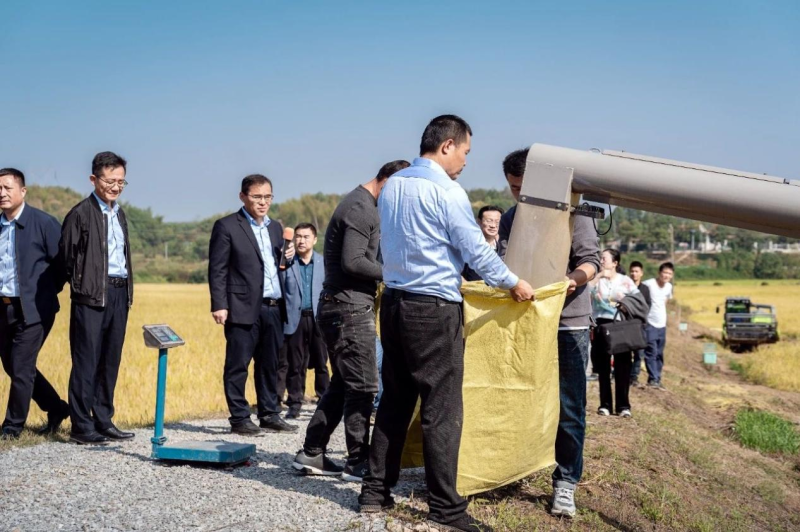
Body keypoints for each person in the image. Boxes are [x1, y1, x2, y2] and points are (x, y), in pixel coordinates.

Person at [360, 115, 534, 532]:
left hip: (395, 303)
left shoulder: (393, 185)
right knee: (441, 407)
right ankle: (447, 509)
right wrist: (513, 283)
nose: (466, 161)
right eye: (466, 152)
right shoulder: (448, 191)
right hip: (434, 308)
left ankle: (373, 492)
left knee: (395, 400)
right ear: (447, 145)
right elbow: (475, 249)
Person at [498, 147, 600, 519]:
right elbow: (506, 266)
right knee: (519, 400)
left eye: (524, 188)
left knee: (569, 407)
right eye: (512, 188)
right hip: (527, 323)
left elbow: (591, 262)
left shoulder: (578, 214)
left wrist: (568, 283)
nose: (518, 196)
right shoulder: (511, 219)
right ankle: (513, 469)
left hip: (569, 323)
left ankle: (566, 482)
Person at [293, 159, 410, 482]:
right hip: (348, 309)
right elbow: (354, 261)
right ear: (388, 181)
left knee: (345, 383)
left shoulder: (361, 204)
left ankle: (312, 452)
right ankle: (358, 463)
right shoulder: (361, 209)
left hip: (339, 306)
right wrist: (395, 273)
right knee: (364, 385)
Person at [208, 174, 297, 435]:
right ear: (243, 197)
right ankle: (239, 418)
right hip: (241, 306)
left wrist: (288, 257)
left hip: (273, 305)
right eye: (257, 197)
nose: (263, 202)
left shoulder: (275, 228)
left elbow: (277, 265)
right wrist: (219, 304)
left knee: (269, 364)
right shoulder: (227, 226)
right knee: (237, 364)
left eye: (268, 196)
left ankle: (269, 413)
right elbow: (218, 269)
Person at [60, 152, 135, 445]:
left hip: (119, 293)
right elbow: (66, 257)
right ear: (94, 179)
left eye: (121, 181)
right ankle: (81, 425)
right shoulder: (80, 213)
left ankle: (103, 419)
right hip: (90, 296)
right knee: (86, 360)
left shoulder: (119, 213)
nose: (116, 186)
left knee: (110, 359)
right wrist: (82, 284)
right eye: (110, 180)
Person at [0, 168, 70, 440]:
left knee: (21, 365)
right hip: (4, 307)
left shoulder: (43, 223)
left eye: (7, 187)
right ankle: (56, 407)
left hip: (35, 309)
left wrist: (47, 292)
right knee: (13, 365)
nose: (2, 193)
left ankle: (11, 427)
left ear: (22, 191)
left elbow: (62, 264)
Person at [281, 223, 328, 419]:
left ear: (315, 240)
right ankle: (294, 403)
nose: (301, 240)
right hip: (296, 319)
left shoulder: (324, 263)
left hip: (318, 318)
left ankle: (325, 401)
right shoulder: (288, 263)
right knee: (296, 364)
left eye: (306, 236)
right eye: (298, 236)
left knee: (322, 363)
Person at [589, 249, 639, 419]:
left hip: (621, 325)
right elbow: (586, 291)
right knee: (602, 367)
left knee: (623, 366)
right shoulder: (597, 280)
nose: (601, 261)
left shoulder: (626, 281)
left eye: (604, 258)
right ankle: (605, 405)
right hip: (601, 325)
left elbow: (638, 300)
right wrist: (598, 276)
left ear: (615, 263)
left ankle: (623, 406)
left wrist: (625, 305)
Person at [642, 262, 674, 389]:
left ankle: (657, 377)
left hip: (662, 324)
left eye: (669, 274)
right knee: (651, 351)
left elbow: (665, 302)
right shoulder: (648, 284)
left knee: (659, 353)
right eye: (665, 273)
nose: (666, 275)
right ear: (659, 273)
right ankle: (653, 378)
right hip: (649, 323)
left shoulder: (669, 287)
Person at [462, 205, 504, 282]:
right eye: (489, 221)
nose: (493, 225)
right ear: (479, 222)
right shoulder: (467, 247)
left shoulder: (505, 249)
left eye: (497, 222)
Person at [628, 261, 651, 386]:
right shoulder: (625, 286)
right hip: (626, 325)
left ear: (641, 273)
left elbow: (647, 306)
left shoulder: (645, 289)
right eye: (632, 271)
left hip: (640, 325)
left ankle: (634, 377)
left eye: (636, 271)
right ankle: (622, 374)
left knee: (639, 353)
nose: (634, 274)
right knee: (624, 352)